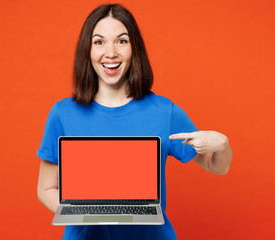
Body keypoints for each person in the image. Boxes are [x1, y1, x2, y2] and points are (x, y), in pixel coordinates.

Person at [37, 3, 232, 240]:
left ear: (134, 48)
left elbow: (216, 166)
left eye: (122, 41)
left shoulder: (165, 112)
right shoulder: (62, 114)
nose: (110, 53)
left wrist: (222, 144)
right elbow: (46, 188)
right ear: (87, 51)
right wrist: (85, 213)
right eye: (99, 42)